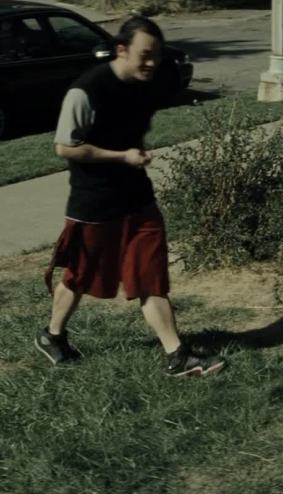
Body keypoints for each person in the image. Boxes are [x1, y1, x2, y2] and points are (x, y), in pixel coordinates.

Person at [36, 16, 224, 377]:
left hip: (138, 198)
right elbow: (65, 147)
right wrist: (121, 156)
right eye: (145, 55)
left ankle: (177, 355)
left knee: (150, 275)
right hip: (95, 202)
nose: (151, 63)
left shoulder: (144, 84)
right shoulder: (86, 91)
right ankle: (52, 335)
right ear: (121, 50)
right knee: (81, 276)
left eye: (156, 55)